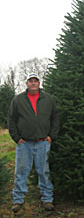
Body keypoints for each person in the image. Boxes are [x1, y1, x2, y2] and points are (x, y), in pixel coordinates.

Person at [8, 73, 59, 213]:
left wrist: (52, 136)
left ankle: (47, 199)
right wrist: (17, 138)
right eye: (30, 81)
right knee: (21, 172)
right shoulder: (18, 100)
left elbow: (55, 118)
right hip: (24, 143)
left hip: (43, 142)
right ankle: (18, 200)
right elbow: (11, 120)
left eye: (35, 81)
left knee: (44, 171)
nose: (33, 83)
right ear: (26, 83)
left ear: (39, 83)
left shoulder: (48, 99)